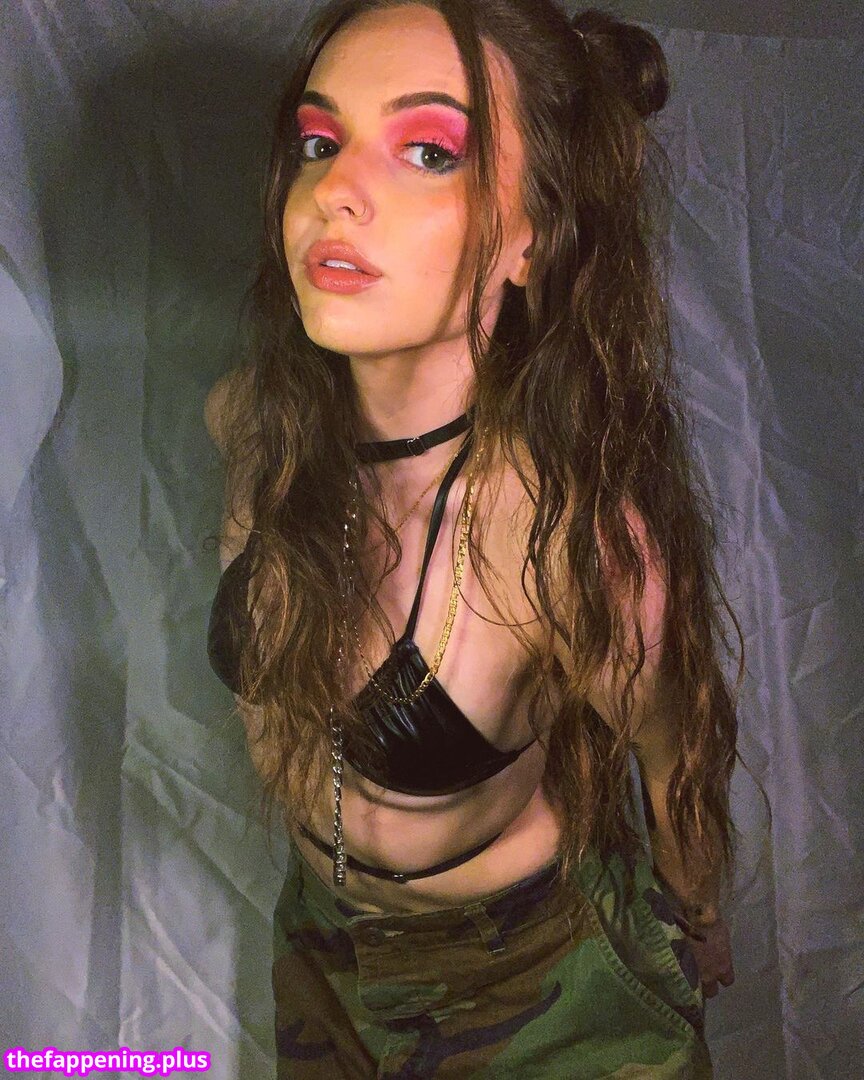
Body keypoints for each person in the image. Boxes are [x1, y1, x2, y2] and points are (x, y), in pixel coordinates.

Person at [204, 1, 740, 1075]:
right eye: (319, 141)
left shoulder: (570, 541)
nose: (336, 190)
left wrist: (697, 911)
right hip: (321, 956)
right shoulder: (256, 428)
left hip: (530, 991)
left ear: (533, 234)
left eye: (428, 151)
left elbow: (675, 751)